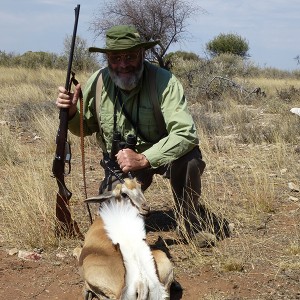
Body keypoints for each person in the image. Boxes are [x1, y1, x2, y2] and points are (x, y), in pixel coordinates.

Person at [56, 25, 230, 245]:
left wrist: (145, 158)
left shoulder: (164, 81)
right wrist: (72, 112)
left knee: (190, 160)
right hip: (123, 166)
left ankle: (190, 223)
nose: (123, 64)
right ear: (107, 58)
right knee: (114, 225)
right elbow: (85, 128)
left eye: (130, 56)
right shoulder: (97, 82)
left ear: (142, 54)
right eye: (115, 57)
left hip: (163, 157)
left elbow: (186, 133)